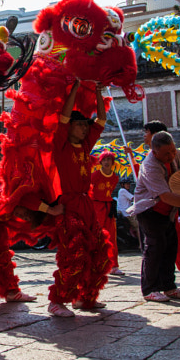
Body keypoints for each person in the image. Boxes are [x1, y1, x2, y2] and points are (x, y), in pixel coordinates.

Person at [43, 81, 112, 317]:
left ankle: (86, 298)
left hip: (87, 206)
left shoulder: (85, 146)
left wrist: (98, 93)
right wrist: (75, 87)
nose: (84, 129)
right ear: (70, 127)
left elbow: (101, 121)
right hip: (69, 206)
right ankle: (57, 301)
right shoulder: (61, 145)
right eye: (80, 125)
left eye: (85, 125)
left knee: (98, 252)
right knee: (75, 253)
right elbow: (63, 117)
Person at [128, 120, 180, 288]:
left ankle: (169, 287)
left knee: (170, 249)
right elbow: (165, 196)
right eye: (167, 154)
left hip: (168, 211)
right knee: (154, 250)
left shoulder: (174, 153)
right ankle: (150, 289)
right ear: (155, 151)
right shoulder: (150, 165)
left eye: (173, 151)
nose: (171, 156)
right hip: (150, 210)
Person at [89, 151, 123, 276]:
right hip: (96, 207)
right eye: (105, 160)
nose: (107, 162)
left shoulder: (115, 177)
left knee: (112, 237)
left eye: (109, 160)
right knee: (96, 236)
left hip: (109, 208)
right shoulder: (94, 176)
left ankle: (114, 265)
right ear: (101, 162)